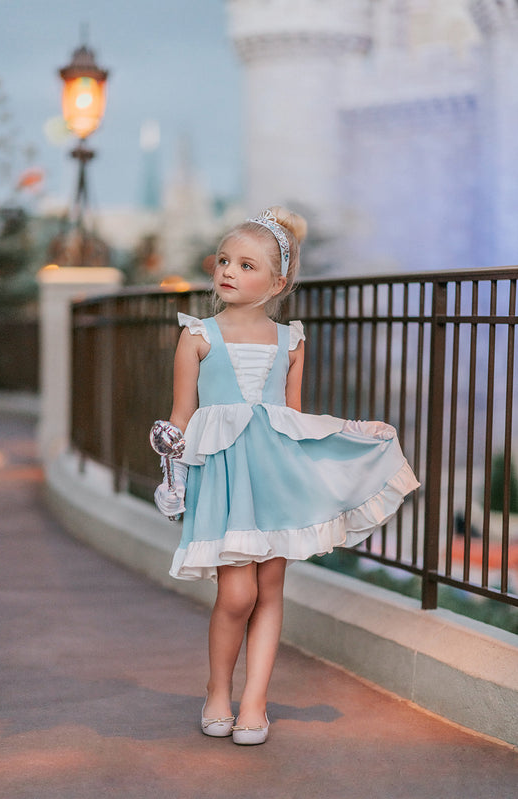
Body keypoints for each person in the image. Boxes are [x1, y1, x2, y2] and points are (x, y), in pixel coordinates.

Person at [153, 206, 420, 745]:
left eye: (246, 265)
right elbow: (181, 416)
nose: (228, 271)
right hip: (225, 483)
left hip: (276, 478)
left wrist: (351, 429)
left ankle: (255, 701)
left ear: (277, 282)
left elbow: (293, 421)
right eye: (224, 260)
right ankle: (217, 691)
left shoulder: (290, 341)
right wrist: (169, 451)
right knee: (235, 595)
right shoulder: (197, 336)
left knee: (269, 589)